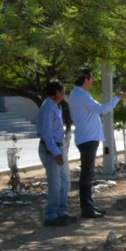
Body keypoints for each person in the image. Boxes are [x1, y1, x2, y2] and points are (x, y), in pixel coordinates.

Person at [66, 68, 126, 218]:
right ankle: (87, 209)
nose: (92, 81)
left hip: (87, 138)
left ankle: (89, 206)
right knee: (87, 174)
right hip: (88, 139)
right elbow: (102, 109)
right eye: (91, 78)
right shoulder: (81, 95)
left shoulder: (79, 94)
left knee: (88, 173)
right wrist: (117, 98)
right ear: (86, 79)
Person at [37, 80, 75, 226]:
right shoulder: (47, 107)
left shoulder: (55, 106)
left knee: (64, 182)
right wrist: (55, 153)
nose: (64, 93)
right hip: (51, 149)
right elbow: (47, 134)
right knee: (55, 184)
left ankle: (61, 212)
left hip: (59, 147)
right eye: (63, 90)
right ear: (58, 92)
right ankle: (51, 215)